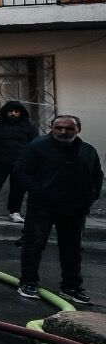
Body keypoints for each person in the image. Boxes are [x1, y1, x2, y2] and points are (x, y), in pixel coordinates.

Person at [13, 114, 101, 304]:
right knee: (34, 244)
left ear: (78, 130)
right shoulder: (37, 147)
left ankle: (71, 287)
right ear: (52, 128)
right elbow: (21, 172)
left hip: (75, 208)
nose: (63, 131)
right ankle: (28, 283)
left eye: (69, 128)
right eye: (58, 127)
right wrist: (41, 193)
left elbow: (96, 176)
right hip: (43, 206)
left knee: (72, 248)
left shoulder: (87, 151)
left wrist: (90, 197)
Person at [0, 100, 38, 222]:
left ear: (21, 113)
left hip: (20, 164)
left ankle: (15, 212)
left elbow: (35, 146)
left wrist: (29, 163)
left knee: (19, 189)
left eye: (16, 111)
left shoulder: (29, 128)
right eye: (10, 111)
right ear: (5, 112)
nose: (13, 113)